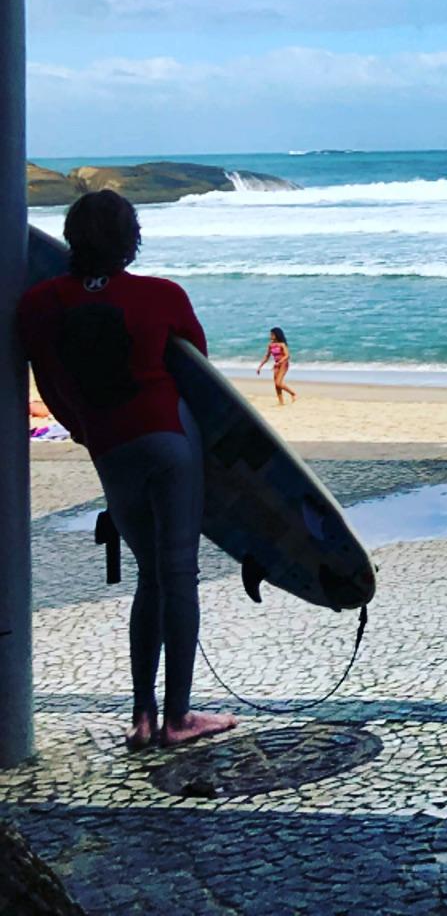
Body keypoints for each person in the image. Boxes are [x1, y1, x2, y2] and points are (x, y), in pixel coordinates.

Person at [17, 191, 236, 749]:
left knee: (149, 576)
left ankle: (142, 717)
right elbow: (201, 380)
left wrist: (89, 431)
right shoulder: (161, 296)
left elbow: (51, 384)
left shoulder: (39, 305)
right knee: (179, 571)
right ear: (130, 240)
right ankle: (179, 719)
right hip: (168, 441)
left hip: (111, 450)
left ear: (72, 238)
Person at [256, 326, 297, 405]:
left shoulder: (282, 344)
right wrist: (260, 366)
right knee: (276, 385)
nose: (270, 336)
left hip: (283, 364)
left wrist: (280, 362)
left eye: (272, 335)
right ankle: (281, 402)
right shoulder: (270, 345)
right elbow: (267, 356)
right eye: (270, 334)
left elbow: (287, 355)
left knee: (278, 383)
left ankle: (293, 393)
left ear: (277, 335)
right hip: (277, 364)